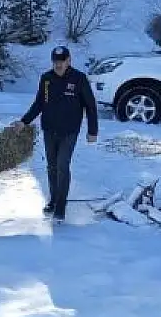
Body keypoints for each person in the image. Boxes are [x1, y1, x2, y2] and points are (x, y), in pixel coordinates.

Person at [12, 45, 99, 222]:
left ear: (69, 61)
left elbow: (90, 106)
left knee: (62, 165)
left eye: (62, 62)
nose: (58, 65)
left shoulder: (79, 79)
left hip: (69, 131)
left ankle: (61, 206)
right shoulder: (46, 79)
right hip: (49, 129)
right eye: (55, 62)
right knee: (51, 167)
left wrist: (92, 131)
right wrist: (24, 121)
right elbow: (39, 104)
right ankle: (53, 200)